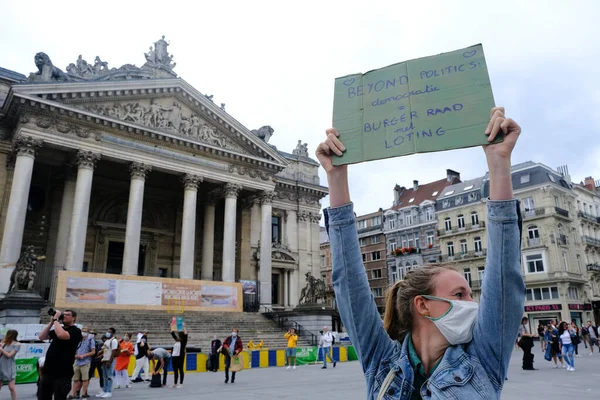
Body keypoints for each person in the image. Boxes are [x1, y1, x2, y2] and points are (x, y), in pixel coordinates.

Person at [316, 107, 525, 398]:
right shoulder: (382, 363)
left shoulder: (483, 359)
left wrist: (499, 162)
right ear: (423, 305)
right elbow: (348, 281)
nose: (472, 303)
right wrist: (336, 177)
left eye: (468, 294)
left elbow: (504, 275)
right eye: (459, 295)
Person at [38, 309, 83, 400]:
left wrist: (56, 320)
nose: (64, 316)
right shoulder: (58, 329)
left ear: (74, 318)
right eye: (64, 314)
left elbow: (62, 336)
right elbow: (41, 337)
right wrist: (51, 323)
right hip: (48, 370)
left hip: (63, 372)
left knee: (59, 396)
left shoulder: (76, 331)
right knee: (43, 396)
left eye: (67, 315)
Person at [68, 326, 95, 399]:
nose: (84, 332)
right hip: (77, 362)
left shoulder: (90, 340)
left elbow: (93, 352)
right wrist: (75, 355)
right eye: (83, 331)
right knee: (75, 379)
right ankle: (73, 394)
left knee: (85, 379)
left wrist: (84, 355)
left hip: (85, 362)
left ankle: (83, 393)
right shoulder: (78, 339)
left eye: (85, 331)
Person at [95, 328, 118, 398]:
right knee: (104, 376)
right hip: (104, 360)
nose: (107, 333)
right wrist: (100, 353)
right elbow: (104, 349)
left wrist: (110, 362)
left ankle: (109, 391)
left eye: (109, 332)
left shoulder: (114, 341)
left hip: (109, 360)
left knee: (109, 376)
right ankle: (105, 390)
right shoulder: (107, 341)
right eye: (107, 331)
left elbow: (113, 352)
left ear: (112, 333)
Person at [0, 329, 21, 400]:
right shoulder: (3, 342)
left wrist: (1, 349)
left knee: (11, 387)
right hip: (1, 364)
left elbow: (9, 355)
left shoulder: (17, 344)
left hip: (9, 366)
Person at [170, 323, 188, 388]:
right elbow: (172, 333)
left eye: (179, 335)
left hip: (180, 357)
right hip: (174, 357)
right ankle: (175, 383)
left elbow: (186, 334)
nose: (178, 336)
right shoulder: (176, 340)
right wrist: (172, 326)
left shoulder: (183, 342)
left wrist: (184, 326)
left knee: (180, 369)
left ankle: (181, 383)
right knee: (175, 370)